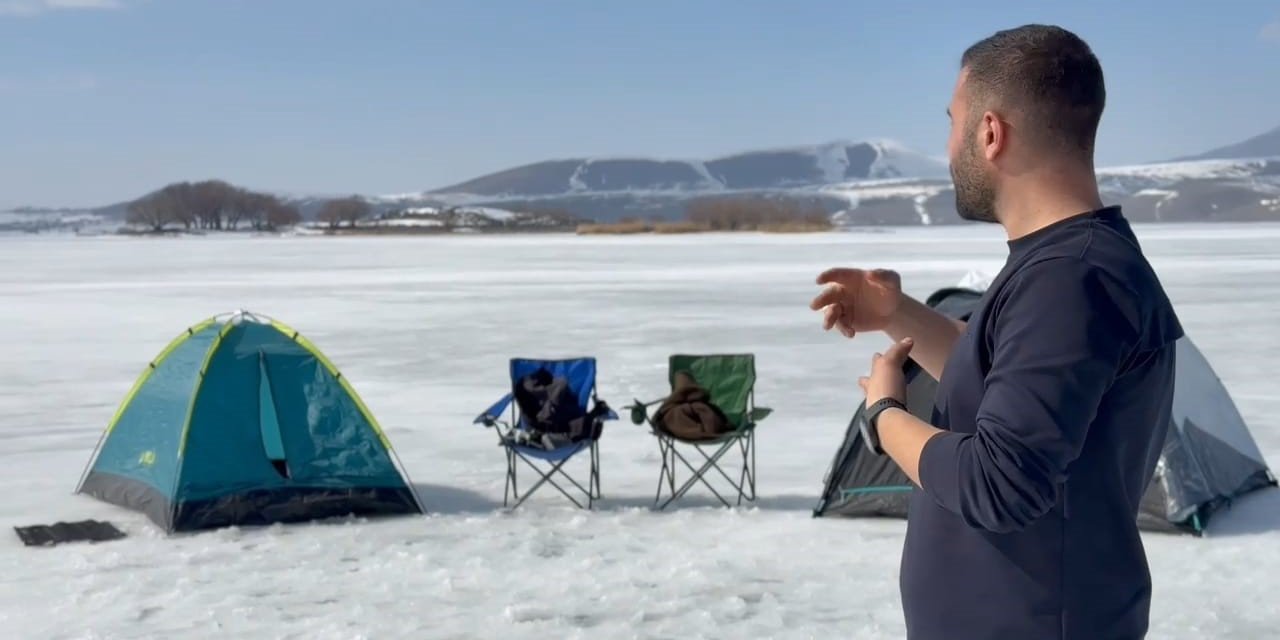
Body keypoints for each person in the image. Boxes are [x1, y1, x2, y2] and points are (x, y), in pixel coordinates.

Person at [810, 24, 1184, 640]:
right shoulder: (1068, 264)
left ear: (990, 133)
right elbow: (1008, 381)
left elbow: (998, 483)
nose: (949, 145)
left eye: (952, 122)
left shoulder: (1070, 277)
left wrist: (882, 415)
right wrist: (898, 314)